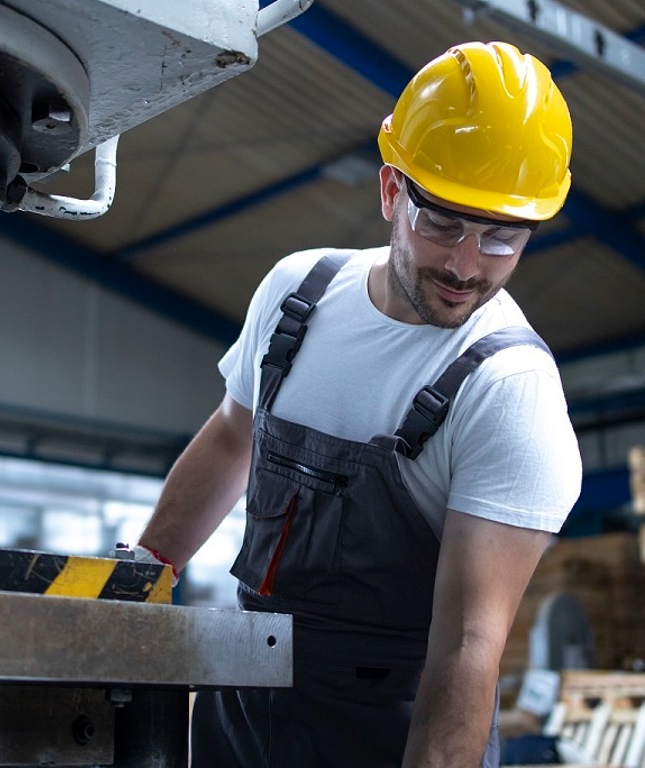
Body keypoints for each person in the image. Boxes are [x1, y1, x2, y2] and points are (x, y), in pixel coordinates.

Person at [134, 40, 582, 768]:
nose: (467, 266)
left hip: (382, 734)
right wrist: (140, 575)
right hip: (239, 707)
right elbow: (228, 439)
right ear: (389, 192)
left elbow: (467, 644)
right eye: (442, 222)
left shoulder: (508, 392)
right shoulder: (295, 296)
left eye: (503, 236)